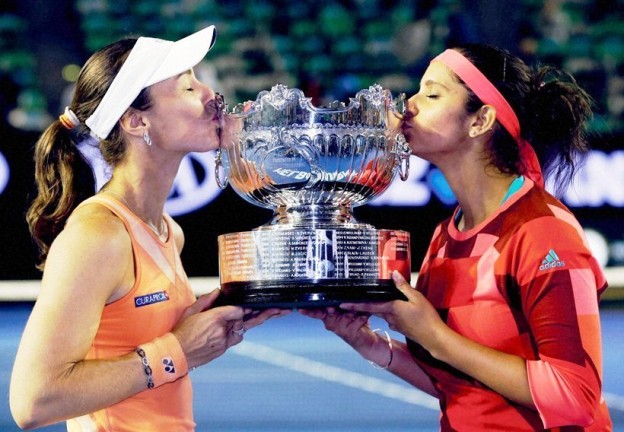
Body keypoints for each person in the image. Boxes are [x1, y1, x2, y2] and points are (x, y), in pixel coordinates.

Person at [302, 44, 613, 430]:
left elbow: (575, 398)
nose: (409, 106)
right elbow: (459, 385)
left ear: (481, 119)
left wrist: (434, 335)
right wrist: (368, 342)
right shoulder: (446, 235)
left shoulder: (544, 232)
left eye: (432, 94)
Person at [10, 26, 288, 431]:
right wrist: (178, 349)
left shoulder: (167, 230)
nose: (212, 95)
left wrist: (209, 322)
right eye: (188, 88)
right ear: (137, 121)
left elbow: (142, 346)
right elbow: (33, 402)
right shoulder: (99, 234)